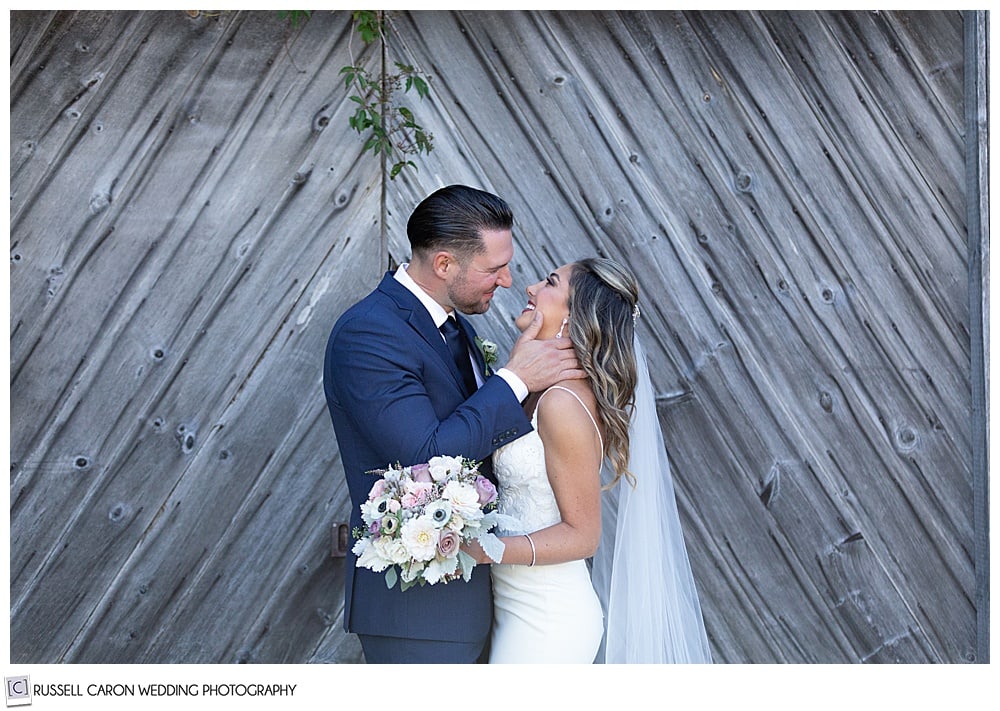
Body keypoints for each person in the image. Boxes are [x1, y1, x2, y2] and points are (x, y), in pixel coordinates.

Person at [323, 185, 584, 664]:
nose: (508, 280)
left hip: (484, 602)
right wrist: (513, 381)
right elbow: (425, 452)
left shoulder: (452, 323)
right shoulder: (370, 334)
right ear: (444, 264)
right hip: (420, 610)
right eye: (493, 268)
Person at [466, 256, 713, 663]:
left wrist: (485, 549)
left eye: (549, 283)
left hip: (547, 619)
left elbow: (584, 535)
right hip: (514, 605)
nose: (530, 289)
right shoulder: (538, 392)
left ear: (573, 317)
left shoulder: (561, 402)